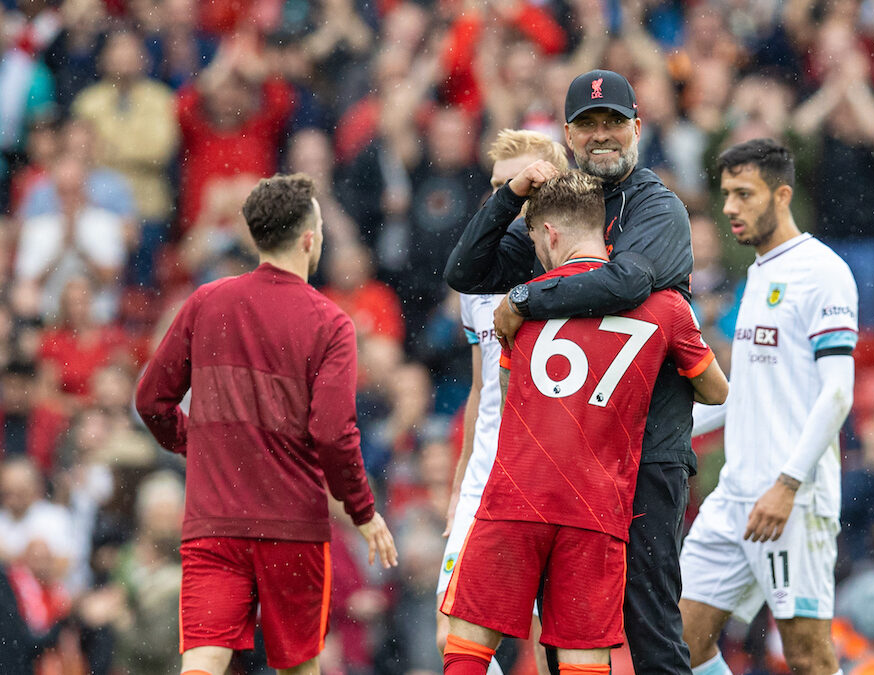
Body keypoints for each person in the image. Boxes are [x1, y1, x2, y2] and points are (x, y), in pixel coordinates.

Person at [445, 68, 697, 675]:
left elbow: (627, 281)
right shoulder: (562, 209)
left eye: (614, 122)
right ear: (568, 134)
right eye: (589, 125)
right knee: (567, 630)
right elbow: (467, 271)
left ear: (638, 126)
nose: (602, 135)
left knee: (650, 627)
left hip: (648, 452)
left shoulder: (657, 207)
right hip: (573, 459)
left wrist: (527, 300)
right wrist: (511, 197)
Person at [134, 173, 398, 675]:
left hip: (214, 524)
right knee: (298, 666)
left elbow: (151, 400)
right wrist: (363, 513)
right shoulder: (330, 321)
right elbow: (332, 433)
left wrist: (194, 443)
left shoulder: (206, 302)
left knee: (203, 661)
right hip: (292, 529)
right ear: (308, 238)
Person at [683, 138, 858, 675]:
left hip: (792, 503)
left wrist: (787, 485)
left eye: (744, 194)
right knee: (678, 643)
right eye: (725, 194)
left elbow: (838, 393)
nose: (730, 207)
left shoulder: (822, 273)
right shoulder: (758, 273)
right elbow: (751, 394)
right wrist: (665, 432)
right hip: (735, 494)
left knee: (807, 657)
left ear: (782, 195)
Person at [437, 128, 569, 675]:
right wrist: (458, 485)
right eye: (499, 186)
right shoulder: (478, 280)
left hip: (553, 477)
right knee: (452, 628)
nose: (511, 196)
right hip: (485, 475)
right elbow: (479, 389)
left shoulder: (576, 270)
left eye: (525, 183)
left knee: (556, 641)